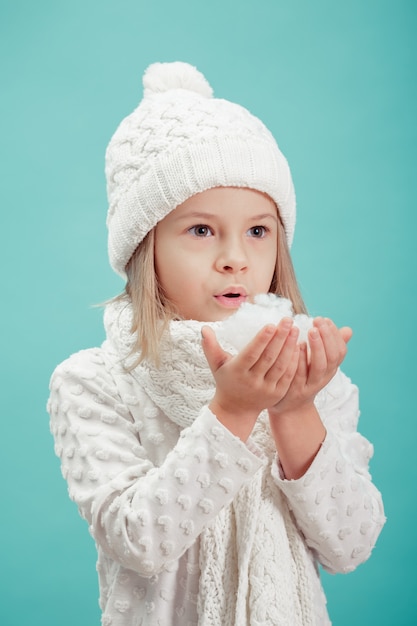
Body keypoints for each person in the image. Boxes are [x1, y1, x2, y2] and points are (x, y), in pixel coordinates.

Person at [47, 61, 385, 626]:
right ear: (144, 249)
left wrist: (296, 410)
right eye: (201, 230)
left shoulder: (314, 381)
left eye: (258, 230)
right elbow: (140, 540)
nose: (236, 257)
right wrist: (231, 409)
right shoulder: (94, 381)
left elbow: (350, 546)